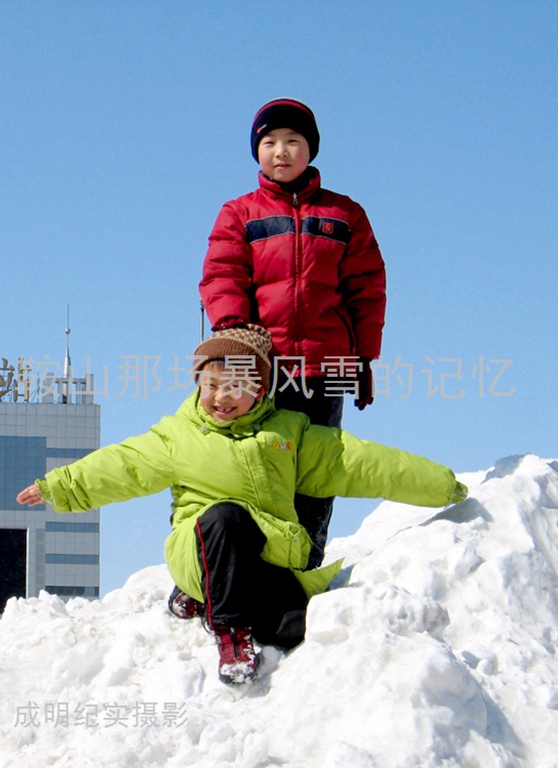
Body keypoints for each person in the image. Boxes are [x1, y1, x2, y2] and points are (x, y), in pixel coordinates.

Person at [16, 325, 466, 685]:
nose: (221, 397)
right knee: (225, 519)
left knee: (293, 628)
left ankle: (219, 606)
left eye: (236, 386)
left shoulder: (290, 433)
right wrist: (59, 486)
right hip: (200, 547)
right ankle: (229, 632)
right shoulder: (179, 435)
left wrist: (442, 485)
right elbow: (123, 465)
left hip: (267, 557)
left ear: (261, 390)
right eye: (212, 384)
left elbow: (362, 463)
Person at [199, 97, 387, 572]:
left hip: (326, 366)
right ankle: (228, 571)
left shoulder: (345, 215)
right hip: (262, 369)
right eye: (269, 142)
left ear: (311, 150)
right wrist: (232, 339)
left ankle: (303, 569)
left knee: (316, 473)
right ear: (257, 152)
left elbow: (367, 289)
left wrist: (363, 361)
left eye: (292, 142)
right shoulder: (238, 214)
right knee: (251, 469)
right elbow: (222, 277)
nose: (280, 151)